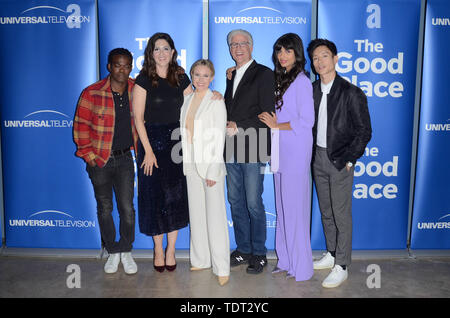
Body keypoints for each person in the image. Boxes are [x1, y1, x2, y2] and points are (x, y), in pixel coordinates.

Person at [306, 39, 372, 288]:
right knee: (326, 211)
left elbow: (364, 131)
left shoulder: (351, 92)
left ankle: (342, 265)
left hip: (339, 159)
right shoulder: (311, 89)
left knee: (341, 213)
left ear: (335, 59)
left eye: (324, 56)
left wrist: (349, 158)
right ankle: (332, 253)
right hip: (317, 158)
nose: (319, 62)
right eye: (315, 58)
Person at [73, 48, 138, 275]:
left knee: (127, 209)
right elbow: (80, 127)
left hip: (124, 159)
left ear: (131, 67)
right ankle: (112, 250)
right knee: (105, 209)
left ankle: (126, 249)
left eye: (127, 65)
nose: (122, 70)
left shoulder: (136, 90)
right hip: (99, 160)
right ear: (109, 66)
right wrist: (90, 157)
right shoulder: (91, 93)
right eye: (118, 65)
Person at [132, 33, 190, 272]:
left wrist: (215, 95)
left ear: (173, 52)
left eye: (166, 48)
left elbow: (195, 105)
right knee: (155, 198)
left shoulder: (182, 78)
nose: (162, 53)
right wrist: (147, 151)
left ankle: (171, 249)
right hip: (151, 144)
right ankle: (158, 249)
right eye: (157, 49)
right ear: (151, 53)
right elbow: (138, 117)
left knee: (175, 198)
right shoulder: (144, 79)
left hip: (177, 145)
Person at [258, 33, 315, 281]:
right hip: (279, 151)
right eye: (279, 50)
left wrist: (276, 125)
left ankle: (301, 268)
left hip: (296, 151)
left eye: (288, 51)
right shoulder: (279, 79)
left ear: (297, 53)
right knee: (283, 209)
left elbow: (307, 121)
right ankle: (286, 260)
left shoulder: (302, 81)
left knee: (295, 211)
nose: (282, 55)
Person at [224, 29, 275, 274]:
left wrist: (239, 125)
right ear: (229, 49)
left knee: (253, 202)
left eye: (243, 43)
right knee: (235, 201)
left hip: (253, 146)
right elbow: (230, 109)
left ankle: (259, 253)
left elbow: (268, 114)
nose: (238, 47)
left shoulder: (264, 74)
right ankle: (243, 249)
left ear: (252, 46)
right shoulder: (231, 75)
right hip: (231, 148)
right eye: (233, 44)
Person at [180, 59, 230, 286]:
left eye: (205, 75)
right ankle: (201, 259)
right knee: (197, 215)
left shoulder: (216, 101)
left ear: (212, 78)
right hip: (191, 164)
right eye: (197, 75)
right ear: (192, 76)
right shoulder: (187, 99)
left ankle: (222, 267)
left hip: (210, 167)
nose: (200, 79)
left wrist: (212, 169)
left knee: (215, 218)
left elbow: (219, 137)